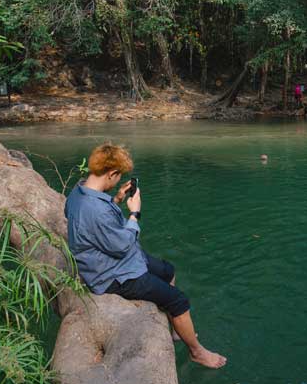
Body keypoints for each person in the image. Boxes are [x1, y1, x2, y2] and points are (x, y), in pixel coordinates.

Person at [65, 142, 227, 369]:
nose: (118, 181)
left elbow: (88, 220)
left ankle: (176, 328)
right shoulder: (96, 210)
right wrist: (135, 213)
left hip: (121, 260)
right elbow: (122, 245)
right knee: (179, 300)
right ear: (111, 173)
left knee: (168, 271)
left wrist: (117, 199)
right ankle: (197, 352)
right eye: (118, 176)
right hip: (112, 275)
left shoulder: (78, 191)